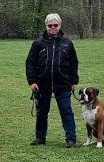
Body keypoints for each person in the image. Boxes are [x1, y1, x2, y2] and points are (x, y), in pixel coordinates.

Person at [25, 13, 79, 147]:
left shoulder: (67, 43)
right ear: (46, 26)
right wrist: (32, 81)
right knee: (42, 112)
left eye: (55, 25)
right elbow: (30, 62)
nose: (53, 28)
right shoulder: (38, 43)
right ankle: (40, 137)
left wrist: (74, 81)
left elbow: (73, 63)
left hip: (63, 83)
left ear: (60, 25)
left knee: (66, 111)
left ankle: (71, 139)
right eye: (50, 25)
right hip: (42, 83)